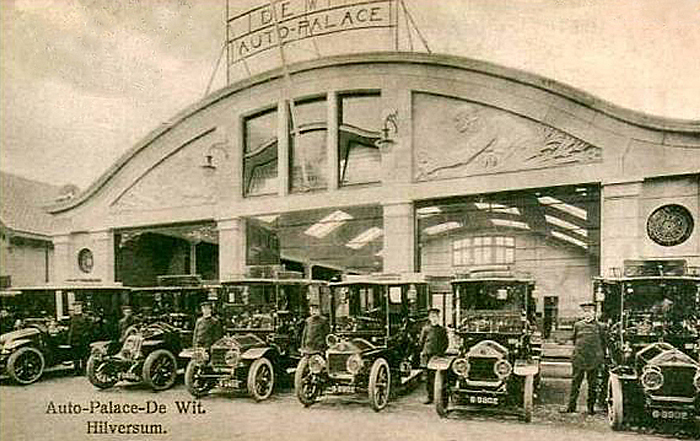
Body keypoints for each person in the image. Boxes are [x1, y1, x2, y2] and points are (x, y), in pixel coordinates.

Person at [561, 302, 606, 415]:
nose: (588, 314)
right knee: (575, 384)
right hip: (579, 358)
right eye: (585, 312)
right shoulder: (578, 325)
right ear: (582, 313)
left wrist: (601, 356)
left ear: (595, 313)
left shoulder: (601, 326)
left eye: (590, 312)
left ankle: (590, 408)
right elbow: (575, 340)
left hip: (594, 360)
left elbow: (603, 342)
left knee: (593, 385)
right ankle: (571, 407)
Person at [419, 308, 448, 404]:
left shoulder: (442, 330)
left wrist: (441, 352)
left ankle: (440, 398)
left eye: (436, 317)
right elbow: (421, 342)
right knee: (428, 378)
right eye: (432, 317)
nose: (434, 319)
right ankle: (429, 397)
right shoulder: (426, 329)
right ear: (429, 318)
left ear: (438, 318)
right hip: (427, 355)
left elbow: (445, 343)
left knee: (439, 376)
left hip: (438, 356)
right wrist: (423, 351)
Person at [68, 302, 92, 376]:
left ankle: (84, 370)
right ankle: (76, 370)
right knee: (75, 356)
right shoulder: (72, 317)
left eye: (78, 307)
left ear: (81, 308)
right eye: (75, 307)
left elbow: (90, 327)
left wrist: (86, 334)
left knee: (84, 355)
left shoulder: (85, 317)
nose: (77, 308)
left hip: (83, 339)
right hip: (74, 339)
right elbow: (71, 328)